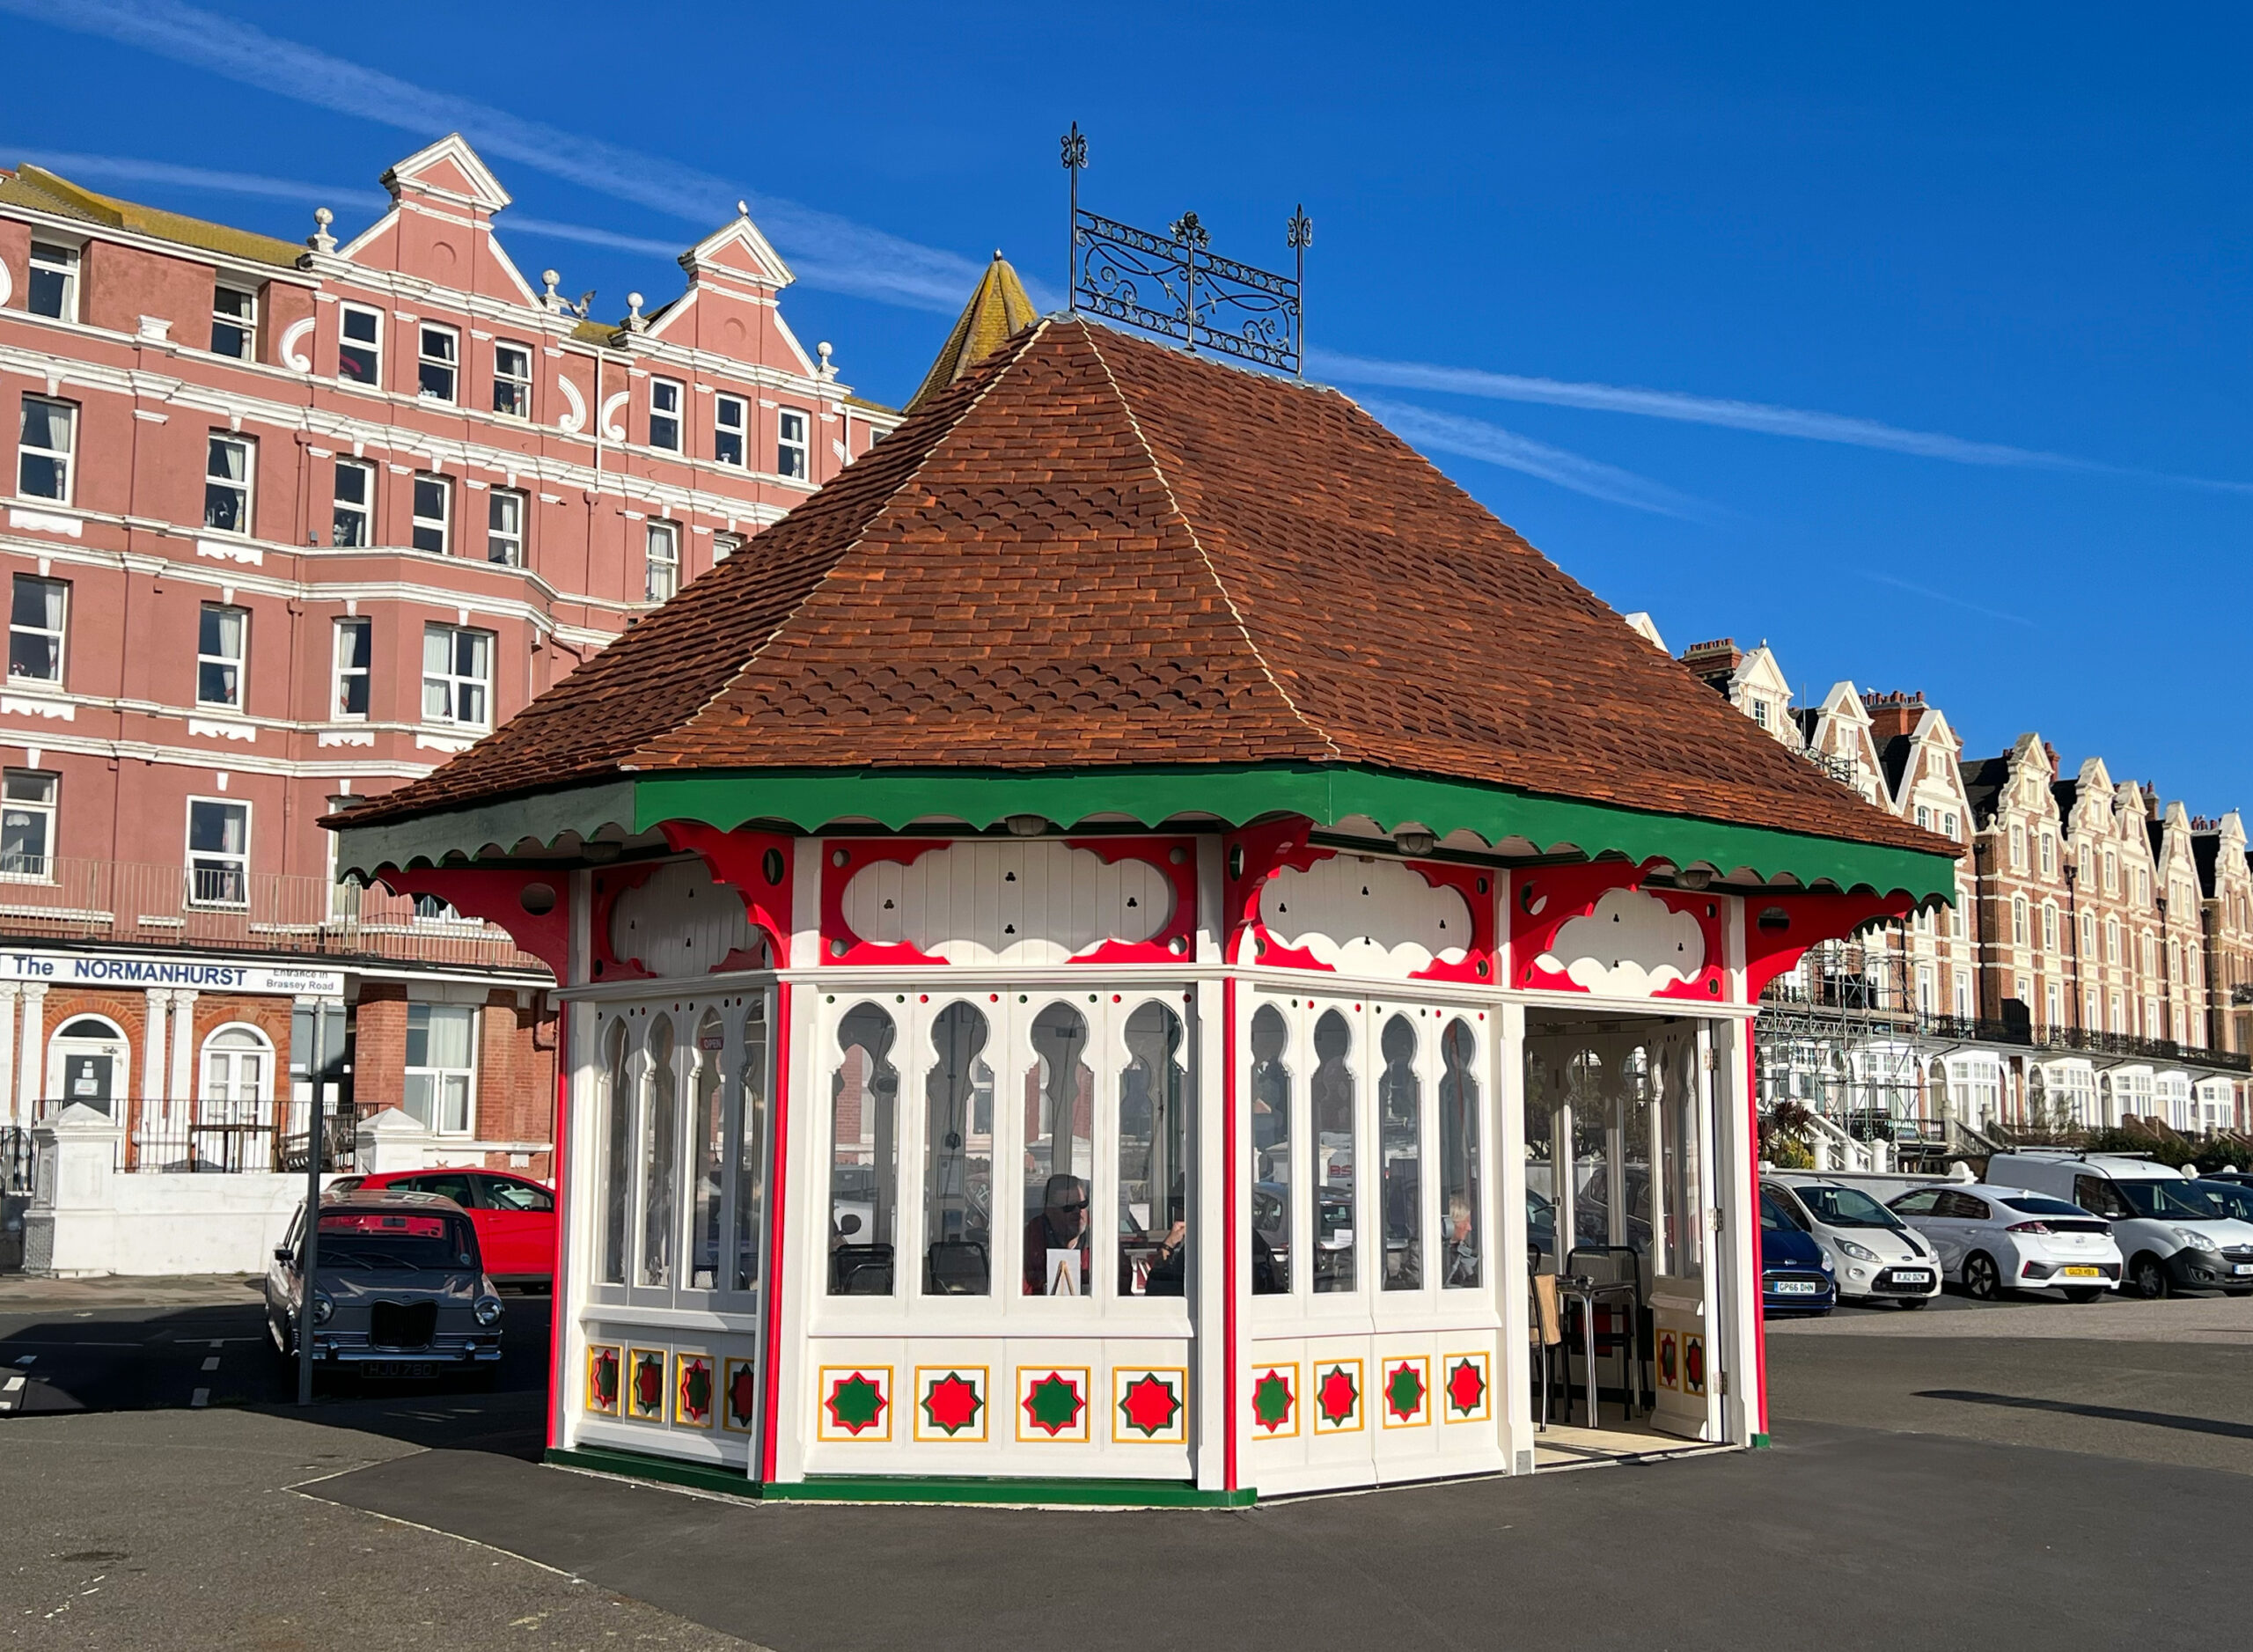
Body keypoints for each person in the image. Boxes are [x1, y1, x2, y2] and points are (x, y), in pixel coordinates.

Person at [1024, 1173, 1090, 1295]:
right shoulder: (1028, 1241)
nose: (1078, 1211)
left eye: (1082, 1204)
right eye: (1068, 1207)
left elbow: (1121, 1283)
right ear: (1049, 1210)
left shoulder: (1101, 1239)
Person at [1442, 1193, 1480, 1288]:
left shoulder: (1460, 1249)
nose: (1469, 1228)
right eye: (1465, 1222)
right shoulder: (1427, 1255)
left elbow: (1472, 1278)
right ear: (1450, 1224)